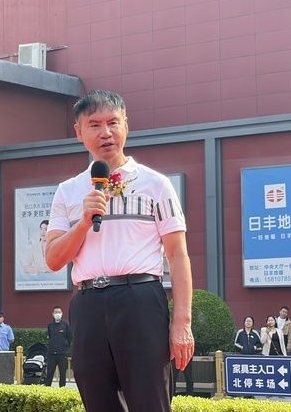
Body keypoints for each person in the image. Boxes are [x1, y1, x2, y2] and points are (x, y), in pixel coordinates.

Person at [45, 90, 194, 412]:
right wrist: (83, 222)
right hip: (87, 304)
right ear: (78, 132)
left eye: (113, 122)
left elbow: (178, 255)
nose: (106, 132)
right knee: (98, 401)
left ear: (126, 124)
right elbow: (54, 259)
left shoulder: (156, 184)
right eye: (95, 125)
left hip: (140, 300)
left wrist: (182, 322)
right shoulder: (68, 191)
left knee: (150, 402)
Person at [44, 306, 72, 388]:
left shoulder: (66, 325)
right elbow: (49, 337)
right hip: (52, 354)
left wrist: (66, 346)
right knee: (49, 373)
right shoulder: (50, 325)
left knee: (63, 374)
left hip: (62, 354)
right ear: (53, 314)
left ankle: (62, 390)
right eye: (56, 312)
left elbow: (70, 337)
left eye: (59, 312)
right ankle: (47, 389)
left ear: (62, 313)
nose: (57, 314)